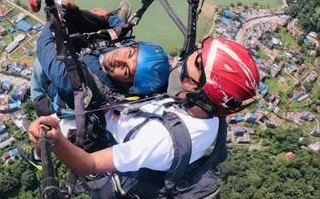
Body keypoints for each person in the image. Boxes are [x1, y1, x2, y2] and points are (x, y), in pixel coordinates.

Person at [29, 37, 260, 199]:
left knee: (43, 80)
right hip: (122, 106)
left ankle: (36, 157)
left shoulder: (160, 141)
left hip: (97, 128)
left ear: (200, 89)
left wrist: (56, 140)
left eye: (198, 62)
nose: (192, 55)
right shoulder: (206, 112)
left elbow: (90, 164)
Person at [31, 0, 171, 118]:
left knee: (40, 62)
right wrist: (108, 16)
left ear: (128, 86)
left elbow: (43, 45)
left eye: (127, 71)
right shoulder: (122, 50)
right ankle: (93, 17)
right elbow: (120, 32)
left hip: (48, 88)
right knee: (108, 32)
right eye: (129, 54)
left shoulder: (77, 83)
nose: (119, 60)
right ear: (133, 46)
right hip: (87, 56)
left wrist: (57, 13)